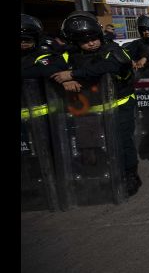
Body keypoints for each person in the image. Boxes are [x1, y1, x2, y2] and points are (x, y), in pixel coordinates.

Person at [50, 12, 142, 196]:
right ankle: (100, 176)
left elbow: (113, 65)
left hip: (120, 105)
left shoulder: (113, 49)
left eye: (93, 38)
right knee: (91, 146)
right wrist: (62, 80)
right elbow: (47, 66)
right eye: (85, 41)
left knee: (123, 142)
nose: (91, 43)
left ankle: (130, 175)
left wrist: (73, 74)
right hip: (89, 110)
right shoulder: (69, 55)